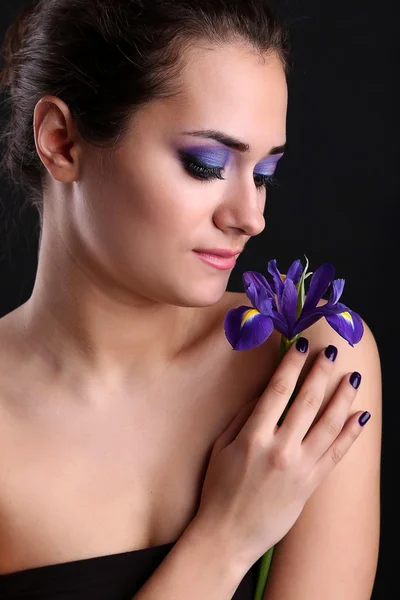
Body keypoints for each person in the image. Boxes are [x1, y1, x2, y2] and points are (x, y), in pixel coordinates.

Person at [0, 1, 381, 599]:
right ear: (62, 141)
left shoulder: (308, 362)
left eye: (265, 174)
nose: (250, 216)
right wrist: (227, 538)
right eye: (206, 165)